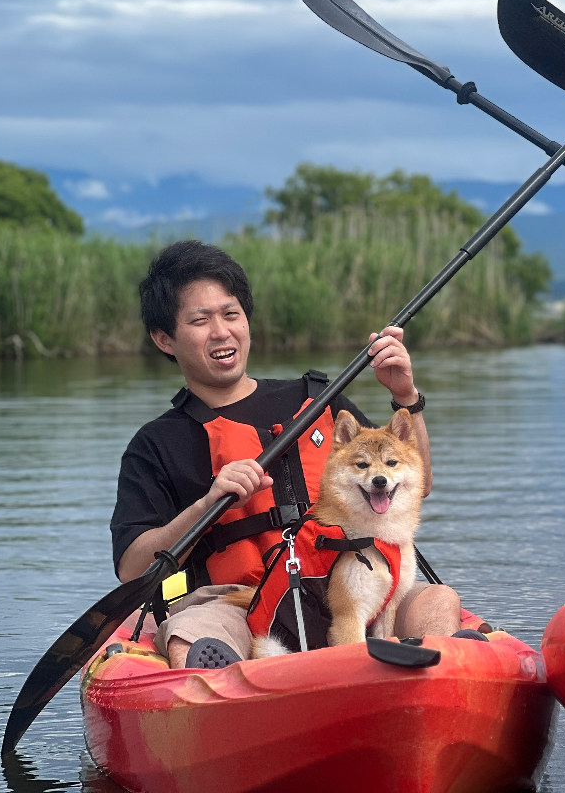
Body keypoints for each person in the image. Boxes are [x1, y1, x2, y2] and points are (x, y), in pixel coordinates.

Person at [111, 240, 461, 668]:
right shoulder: (155, 444)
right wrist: (206, 504)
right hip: (237, 601)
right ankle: (237, 697)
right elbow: (132, 569)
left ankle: (431, 693)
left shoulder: (318, 400)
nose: (221, 332)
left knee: (438, 601)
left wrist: (406, 396)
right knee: (190, 636)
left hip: (349, 575)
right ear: (164, 339)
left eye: (231, 314)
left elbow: (419, 485)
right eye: (200, 320)